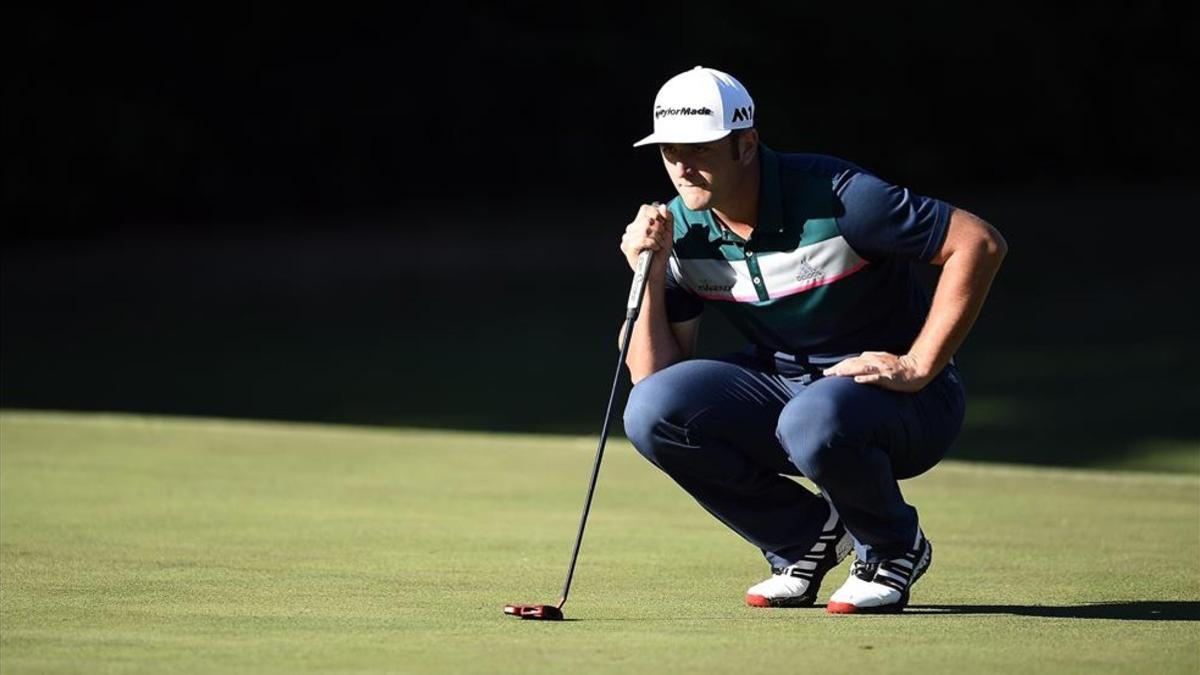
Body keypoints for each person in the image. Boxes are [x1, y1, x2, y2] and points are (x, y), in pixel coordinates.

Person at [619, 66, 1007, 614]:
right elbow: (650, 377)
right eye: (670, 151)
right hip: (790, 391)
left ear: (746, 144)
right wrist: (649, 271)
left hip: (907, 401)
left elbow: (979, 243)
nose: (682, 168)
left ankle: (893, 546)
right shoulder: (683, 230)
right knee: (651, 410)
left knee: (812, 416)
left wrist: (920, 364)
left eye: (700, 149)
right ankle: (801, 538)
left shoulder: (839, 198)